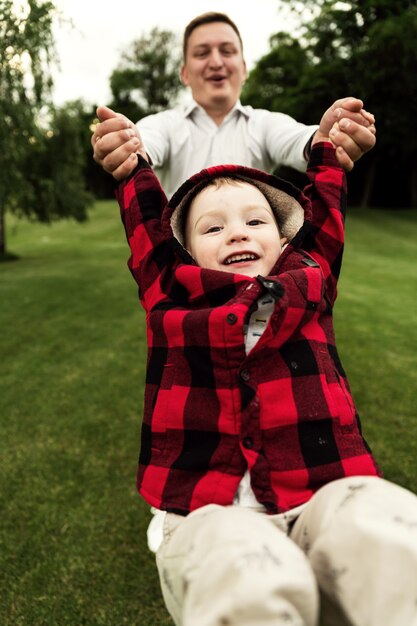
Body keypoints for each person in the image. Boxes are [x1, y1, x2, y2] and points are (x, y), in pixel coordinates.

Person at [113, 120, 417, 626]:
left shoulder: (310, 280)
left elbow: (325, 206)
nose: (236, 231)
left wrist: (331, 150)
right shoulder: (169, 295)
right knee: (244, 573)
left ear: (283, 241)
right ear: (185, 254)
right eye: (212, 228)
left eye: (256, 222)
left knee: (382, 526)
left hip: (323, 492)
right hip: (213, 510)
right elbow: (145, 223)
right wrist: (130, 168)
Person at [92, 12, 376, 194]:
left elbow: (300, 139)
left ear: (243, 68)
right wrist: (127, 145)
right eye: (202, 53)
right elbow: (144, 143)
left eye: (226, 51)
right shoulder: (163, 125)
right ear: (184, 73)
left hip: (258, 283)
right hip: (179, 284)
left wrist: (327, 140)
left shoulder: (264, 124)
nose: (216, 62)